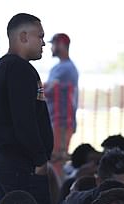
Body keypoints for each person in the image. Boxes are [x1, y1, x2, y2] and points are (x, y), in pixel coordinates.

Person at [0, 13, 54, 204]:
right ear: (23, 36)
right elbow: (24, 120)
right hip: (19, 163)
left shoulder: (2, 67)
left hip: (6, 159)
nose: (43, 43)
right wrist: (40, 159)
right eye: (40, 37)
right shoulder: (19, 69)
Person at [45, 33, 79, 175]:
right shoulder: (60, 67)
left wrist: (36, 88)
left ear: (61, 45)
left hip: (61, 121)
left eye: (53, 44)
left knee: (56, 160)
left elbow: (48, 90)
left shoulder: (65, 68)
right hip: (58, 119)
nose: (51, 48)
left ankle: (57, 193)